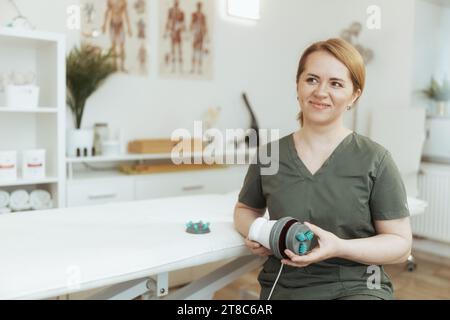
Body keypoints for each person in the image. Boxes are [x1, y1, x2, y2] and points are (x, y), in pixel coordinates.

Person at [233, 38, 412, 300]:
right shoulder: (269, 155)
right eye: (312, 79)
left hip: (358, 285)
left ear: (354, 95)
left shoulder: (376, 160)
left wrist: (339, 247)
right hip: (285, 284)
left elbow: (399, 244)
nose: (320, 92)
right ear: (297, 85)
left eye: (336, 83)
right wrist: (259, 231)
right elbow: (245, 210)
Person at [102, 0, 133, 72]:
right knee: (113, 47)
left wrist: (129, 28)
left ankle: (122, 66)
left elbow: (126, 14)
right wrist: (104, 25)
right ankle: (114, 66)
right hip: (112, 24)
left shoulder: (123, 1)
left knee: (122, 47)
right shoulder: (110, 1)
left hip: (120, 25)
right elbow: (107, 12)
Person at [164, 0, 186, 73]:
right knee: (173, 50)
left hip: (178, 33)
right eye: (175, 1)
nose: (176, 2)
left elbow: (183, 24)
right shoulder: (170, 11)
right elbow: (168, 21)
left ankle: (181, 68)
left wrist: (181, 28)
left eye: (177, 2)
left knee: (179, 50)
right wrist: (166, 32)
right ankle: (173, 68)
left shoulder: (181, 12)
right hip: (173, 33)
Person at [189, 2, 208, 74]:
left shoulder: (203, 16)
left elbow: (205, 26)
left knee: (200, 52)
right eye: (198, 6)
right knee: (194, 52)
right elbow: (191, 24)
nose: (199, 7)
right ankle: (193, 68)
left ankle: (199, 69)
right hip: (195, 35)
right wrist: (193, 29)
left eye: (200, 6)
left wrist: (206, 35)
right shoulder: (194, 15)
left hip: (201, 35)